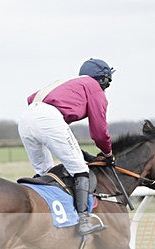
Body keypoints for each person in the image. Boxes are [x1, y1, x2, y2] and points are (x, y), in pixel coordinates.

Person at [18, 58, 115, 235]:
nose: (105, 88)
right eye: (107, 83)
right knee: (79, 169)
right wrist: (108, 153)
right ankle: (84, 220)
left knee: (46, 172)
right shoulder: (93, 88)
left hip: (26, 118)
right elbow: (99, 131)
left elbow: (32, 100)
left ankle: (46, 214)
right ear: (102, 79)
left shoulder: (70, 83)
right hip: (48, 118)